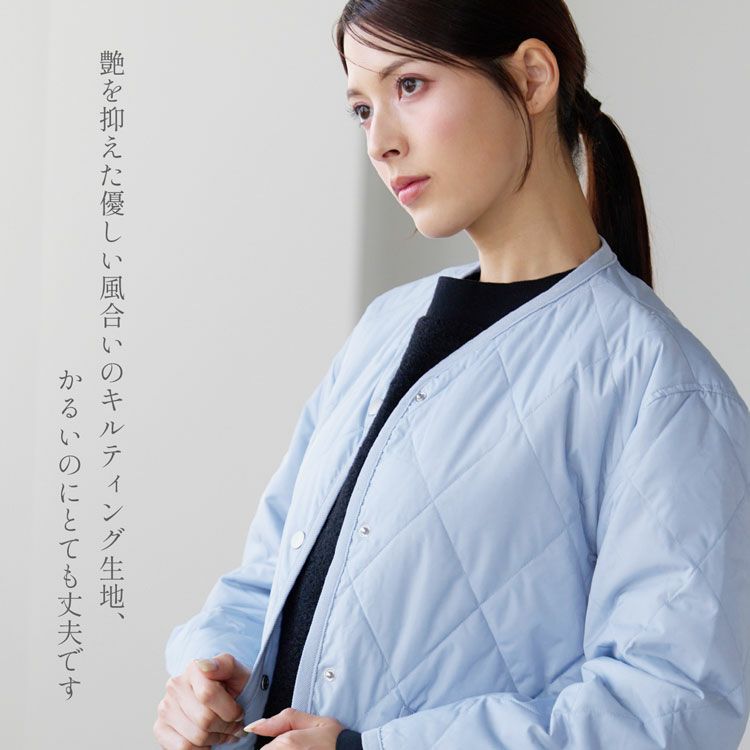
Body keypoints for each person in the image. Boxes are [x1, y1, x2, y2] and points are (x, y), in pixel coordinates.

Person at [154, 2, 750, 749]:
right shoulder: (385, 329)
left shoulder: (664, 389)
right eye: (362, 108)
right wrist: (211, 674)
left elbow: (666, 707)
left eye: (409, 85)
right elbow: (272, 573)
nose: (380, 142)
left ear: (532, 77)